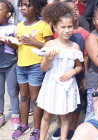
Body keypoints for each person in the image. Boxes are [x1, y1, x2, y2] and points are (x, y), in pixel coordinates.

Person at [37, 2, 83, 140]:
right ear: (55, 27)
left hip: (67, 84)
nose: (67, 30)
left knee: (64, 116)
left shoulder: (75, 47)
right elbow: (43, 68)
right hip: (52, 84)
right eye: (63, 27)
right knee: (47, 115)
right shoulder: (49, 45)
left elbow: (79, 66)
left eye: (70, 26)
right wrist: (49, 60)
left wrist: (72, 72)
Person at [11, 0, 53, 139]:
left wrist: (36, 43)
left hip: (36, 66)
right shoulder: (19, 25)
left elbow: (51, 46)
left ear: (37, 7)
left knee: (35, 99)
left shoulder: (44, 25)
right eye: (21, 5)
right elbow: (19, 47)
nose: (23, 8)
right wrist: (13, 43)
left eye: (27, 5)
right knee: (23, 97)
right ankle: (24, 125)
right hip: (21, 65)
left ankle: (37, 129)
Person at [52, 1, 89, 139]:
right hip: (61, 73)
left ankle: (72, 127)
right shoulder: (58, 33)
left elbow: (85, 56)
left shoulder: (84, 33)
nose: (74, 11)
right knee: (61, 100)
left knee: (77, 101)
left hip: (78, 72)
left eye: (75, 9)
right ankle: (61, 126)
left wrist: (85, 75)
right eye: (69, 10)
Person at [0, 0, 20, 131]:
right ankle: (0, 115)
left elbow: (17, 45)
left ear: (8, 14)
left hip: (11, 63)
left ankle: (15, 115)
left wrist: (8, 42)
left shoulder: (13, 28)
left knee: (13, 92)